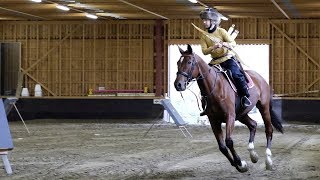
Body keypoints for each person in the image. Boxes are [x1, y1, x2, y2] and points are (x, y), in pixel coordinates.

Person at [198, 8, 251, 116]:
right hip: (214, 62)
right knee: (202, 78)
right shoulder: (204, 35)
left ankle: (245, 96)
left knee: (236, 74)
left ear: (212, 21)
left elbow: (233, 43)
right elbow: (204, 52)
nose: (204, 22)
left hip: (227, 59)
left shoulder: (221, 32)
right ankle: (206, 103)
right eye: (203, 20)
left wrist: (227, 44)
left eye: (206, 20)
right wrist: (213, 47)